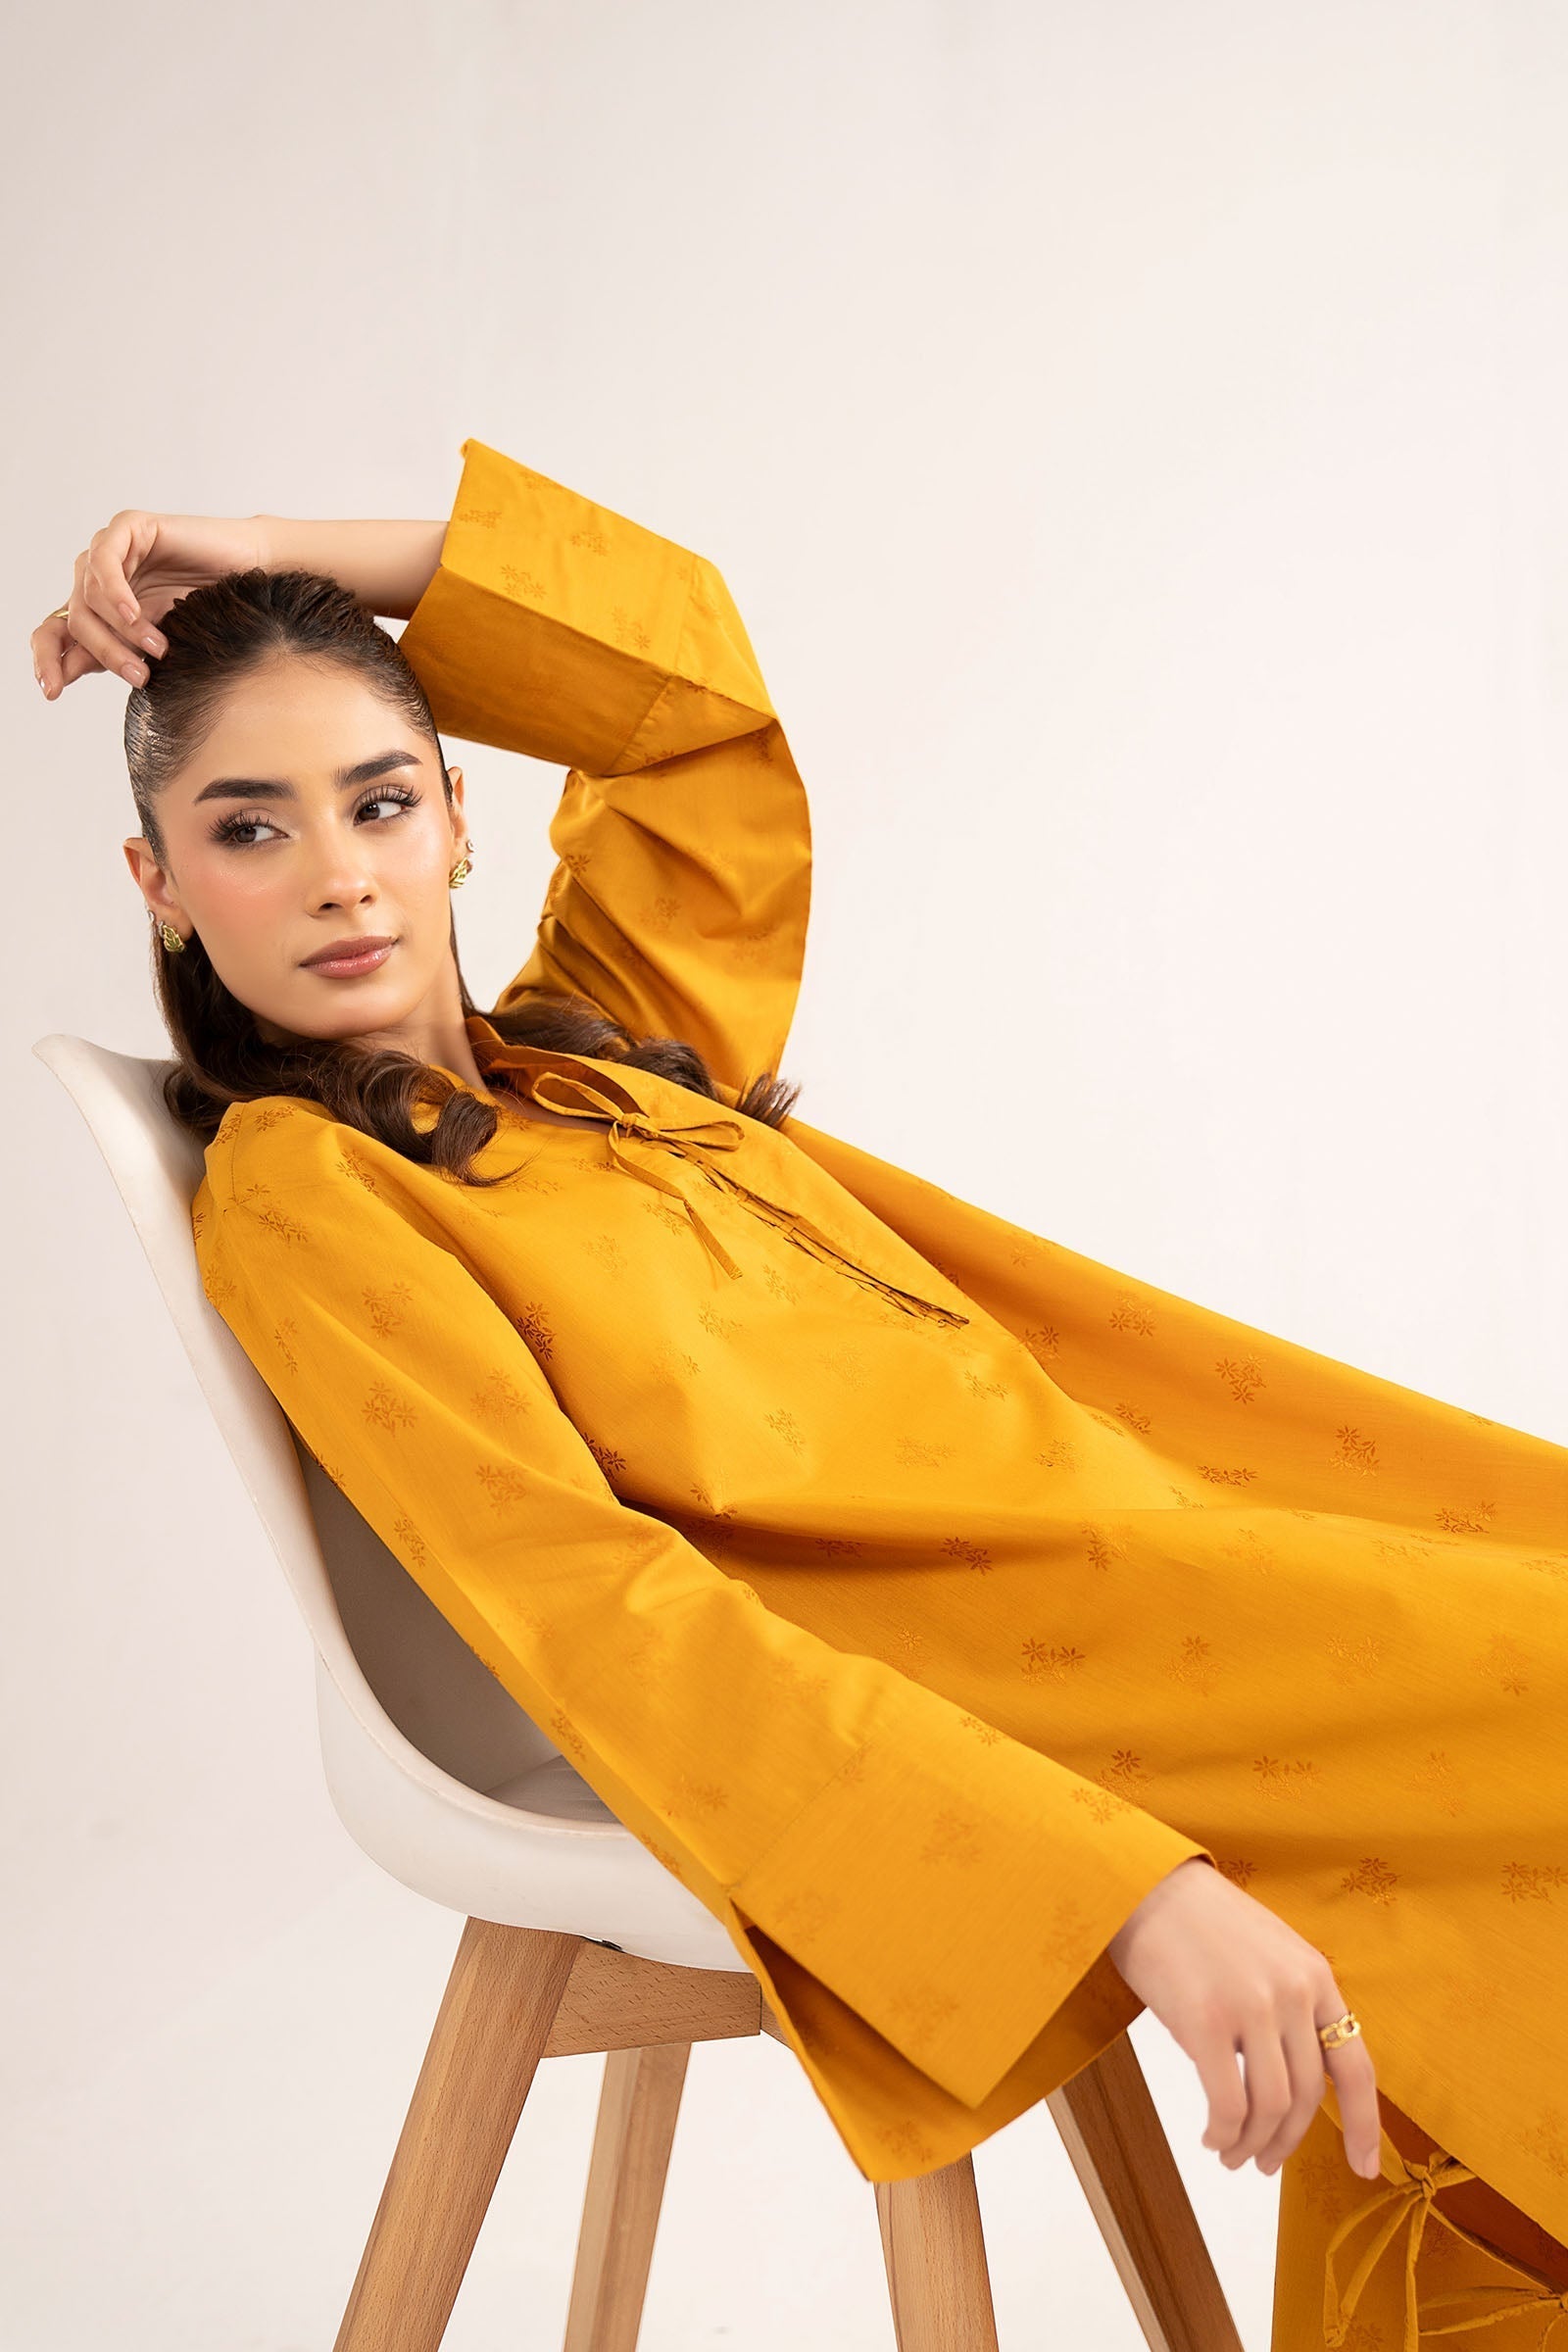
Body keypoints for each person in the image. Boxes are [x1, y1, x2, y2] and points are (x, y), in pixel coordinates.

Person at [34, 435, 1568, 2348]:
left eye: (380, 800)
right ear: (160, 881)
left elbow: (684, 700)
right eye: (251, 829)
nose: (338, 877)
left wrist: (266, 544)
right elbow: (600, 1613)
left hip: (1175, 1544)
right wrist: (1119, 1889)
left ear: (456, 818)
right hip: (975, 1684)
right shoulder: (312, 1198)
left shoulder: (607, 1046)